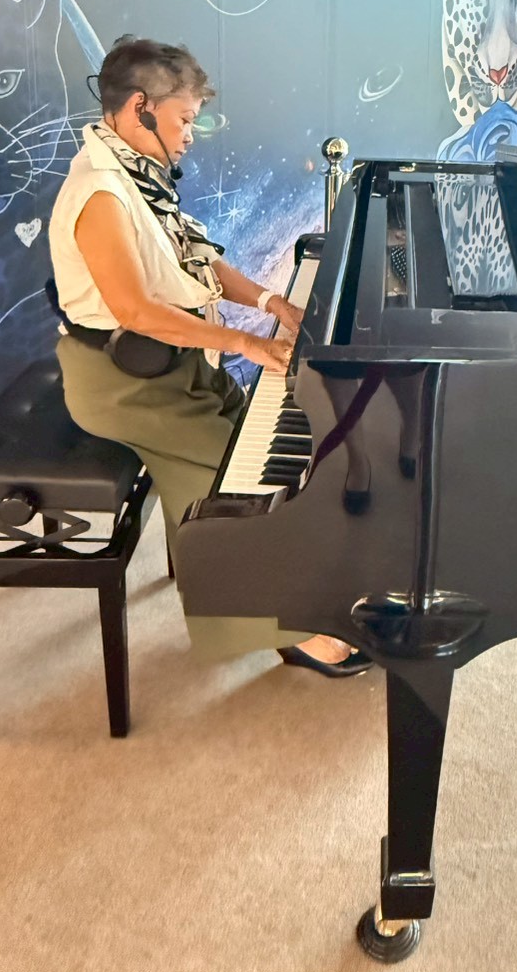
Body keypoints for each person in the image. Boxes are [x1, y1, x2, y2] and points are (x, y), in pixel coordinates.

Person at [49, 36, 371, 676]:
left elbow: (196, 260)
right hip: (122, 382)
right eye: (184, 119)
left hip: (173, 365)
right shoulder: (101, 194)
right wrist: (248, 341)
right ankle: (288, 629)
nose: (190, 135)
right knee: (233, 489)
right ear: (140, 108)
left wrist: (272, 302)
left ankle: (280, 582)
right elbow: (137, 310)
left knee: (253, 435)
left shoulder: (135, 173)